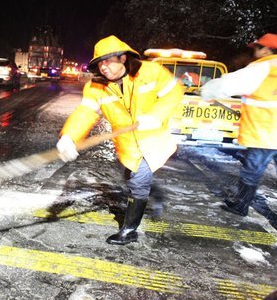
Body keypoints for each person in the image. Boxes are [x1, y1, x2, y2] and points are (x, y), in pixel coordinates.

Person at [56, 35, 184, 245]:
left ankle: (129, 230)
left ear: (123, 58)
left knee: (138, 182)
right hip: (127, 145)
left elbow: (174, 92)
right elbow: (85, 112)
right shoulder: (96, 87)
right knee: (132, 176)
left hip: (153, 139)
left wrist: (156, 116)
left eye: (108, 61)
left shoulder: (150, 72)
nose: (103, 67)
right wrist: (69, 136)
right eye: (100, 63)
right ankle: (146, 199)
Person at [200, 33, 277, 226]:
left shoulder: (263, 68)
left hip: (265, 134)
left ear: (267, 50)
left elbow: (227, 84)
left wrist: (206, 91)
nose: (255, 52)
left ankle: (241, 205)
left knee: (252, 171)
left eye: (257, 48)